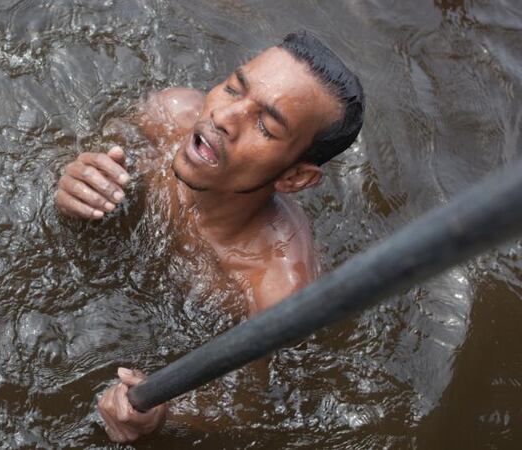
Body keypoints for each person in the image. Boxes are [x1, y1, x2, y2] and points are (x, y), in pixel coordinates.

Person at [54, 31, 364, 443]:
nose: (222, 117)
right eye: (234, 88)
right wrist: (72, 190)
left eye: (265, 126)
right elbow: (84, 163)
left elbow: (245, 405)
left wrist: (161, 416)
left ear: (294, 177)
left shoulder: (275, 290)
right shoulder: (167, 115)